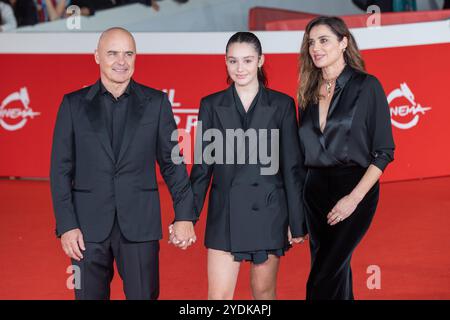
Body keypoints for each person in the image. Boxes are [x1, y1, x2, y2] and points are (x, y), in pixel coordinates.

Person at [50, 27, 196, 300]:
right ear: (96, 56)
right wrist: (67, 225)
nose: (121, 61)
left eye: (128, 53)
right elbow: (60, 170)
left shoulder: (156, 103)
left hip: (140, 225)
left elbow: (172, 163)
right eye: (112, 53)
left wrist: (185, 215)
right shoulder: (73, 105)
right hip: (86, 229)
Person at [186, 32, 307, 300]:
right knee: (217, 296)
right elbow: (202, 168)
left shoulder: (282, 104)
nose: (240, 69)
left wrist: (297, 222)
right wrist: (186, 217)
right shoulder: (211, 104)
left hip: (269, 210)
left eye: (248, 60)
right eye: (233, 61)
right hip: (225, 212)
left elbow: (291, 167)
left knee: (263, 292)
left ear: (260, 61)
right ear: (226, 63)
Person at [297, 16, 395, 300]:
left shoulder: (367, 87)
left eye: (324, 40)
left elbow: (384, 152)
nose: (315, 48)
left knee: (321, 280)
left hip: (354, 188)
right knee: (335, 275)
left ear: (343, 42)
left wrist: (354, 198)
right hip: (314, 193)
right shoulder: (307, 93)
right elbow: (303, 155)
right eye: (311, 42)